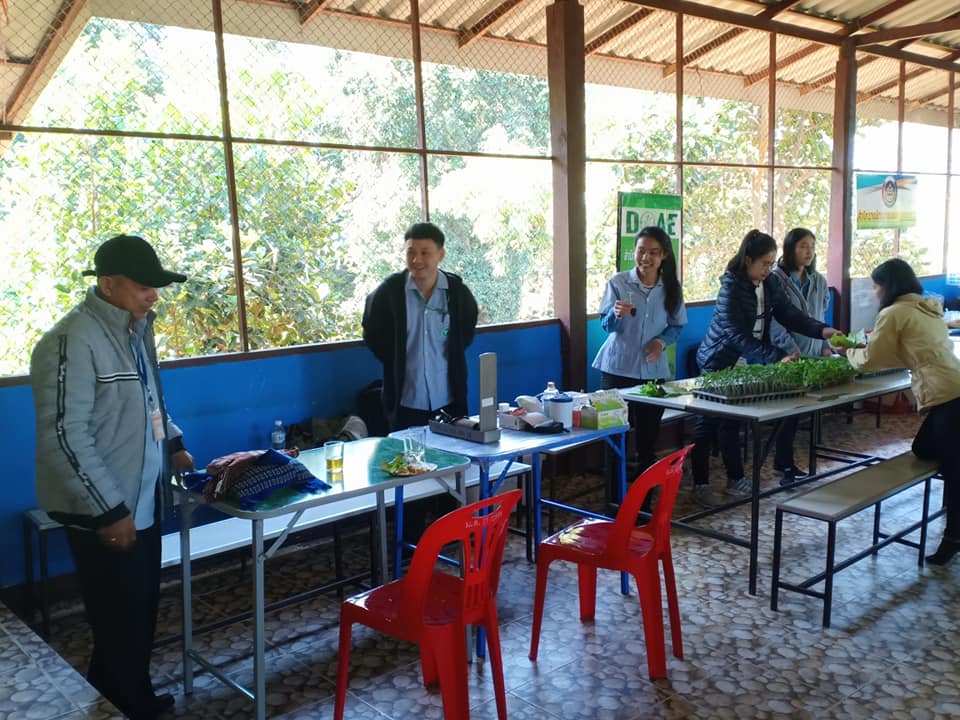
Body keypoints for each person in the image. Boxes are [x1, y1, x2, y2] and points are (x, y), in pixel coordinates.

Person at [30, 234, 194, 720]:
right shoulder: (71, 341)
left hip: (142, 501)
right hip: (107, 510)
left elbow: (149, 402)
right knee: (117, 614)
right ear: (108, 284)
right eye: (143, 286)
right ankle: (127, 702)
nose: (153, 295)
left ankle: (123, 694)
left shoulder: (134, 332)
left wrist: (174, 443)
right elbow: (64, 436)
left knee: (137, 611)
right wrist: (109, 511)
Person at [691, 229, 839, 507]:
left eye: (771, 264)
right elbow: (735, 334)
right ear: (748, 260)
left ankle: (735, 479)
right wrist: (775, 356)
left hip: (746, 360)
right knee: (707, 423)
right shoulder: (731, 287)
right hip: (718, 361)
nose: (768, 269)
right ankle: (700, 484)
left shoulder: (768, 282)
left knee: (732, 423)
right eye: (764, 264)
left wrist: (822, 330)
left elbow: (789, 314)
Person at [838, 259, 960, 565]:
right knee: (925, 450)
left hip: (946, 395)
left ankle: (953, 538)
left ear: (888, 286)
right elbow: (899, 352)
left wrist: (848, 352)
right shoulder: (927, 307)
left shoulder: (894, 313)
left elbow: (872, 359)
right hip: (953, 385)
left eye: (876, 286)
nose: (875, 292)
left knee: (954, 469)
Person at [362, 221, 479, 431]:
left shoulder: (457, 293)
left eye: (425, 253)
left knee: (453, 450)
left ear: (440, 255)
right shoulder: (389, 292)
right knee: (407, 452)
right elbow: (372, 333)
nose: (417, 260)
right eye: (411, 253)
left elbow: (466, 333)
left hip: (448, 399)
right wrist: (395, 360)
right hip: (405, 400)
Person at [592, 226, 687, 472]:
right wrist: (616, 315)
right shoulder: (618, 282)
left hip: (652, 370)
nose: (646, 258)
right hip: (616, 368)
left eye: (653, 252)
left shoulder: (672, 288)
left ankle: (645, 489)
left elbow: (677, 326)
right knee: (615, 434)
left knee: (648, 435)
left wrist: (661, 342)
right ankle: (615, 489)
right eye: (641, 251)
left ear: (664, 255)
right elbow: (606, 326)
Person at [768, 228, 832, 486]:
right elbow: (774, 320)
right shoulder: (775, 279)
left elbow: (820, 317)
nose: (809, 252)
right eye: (803, 246)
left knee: (801, 409)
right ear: (790, 248)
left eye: (812, 246)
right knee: (789, 410)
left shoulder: (819, 280)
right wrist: (790, 348)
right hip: (788, 354)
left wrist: (825, 344)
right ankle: (784, 462)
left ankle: (785, 461)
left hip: (814, 352)